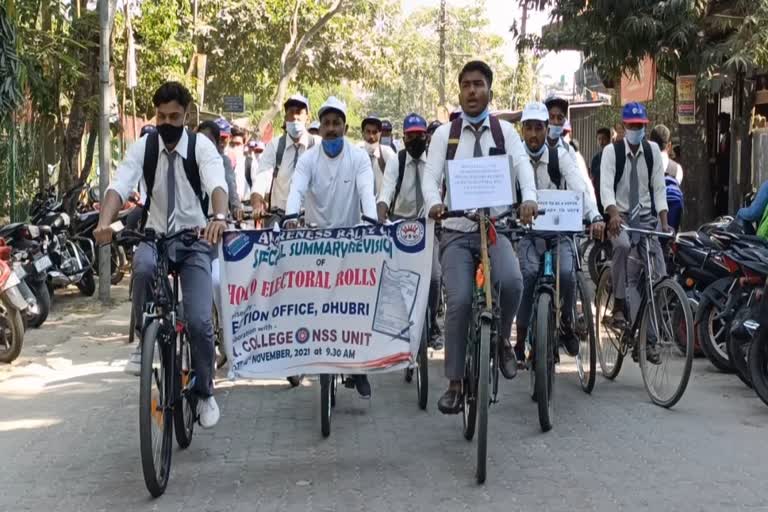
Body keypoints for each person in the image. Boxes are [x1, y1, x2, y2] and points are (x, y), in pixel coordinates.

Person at [94, 81, 228, 428]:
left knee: (198, 321)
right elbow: (119, 185)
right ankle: (144, 339)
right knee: (141, 267)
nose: (168, 122)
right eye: (162, 116)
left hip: (195, 240)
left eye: (175, 116)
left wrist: (219, 217)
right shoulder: (145, 146)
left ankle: (206, 391)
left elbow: (217, 184)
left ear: (187, 116)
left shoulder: (201, 147)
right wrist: (104, 222)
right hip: (156, 237)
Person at [422, 60, 538, 414]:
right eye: (466, 85)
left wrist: (529, 198)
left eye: (478, 84)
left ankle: (502, 340)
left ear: (490, 90)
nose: (472, 91)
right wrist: (434, 203)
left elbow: (522, 166)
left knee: (513, 281)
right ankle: (456, 383)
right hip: (456, 233)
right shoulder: (446, 134)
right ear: (460, 92)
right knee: (457, 302)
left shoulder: (505, 133)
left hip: (495, 229)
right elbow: (430, 177)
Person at [285, 96, 377, 399]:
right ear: (320, 128)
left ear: (345, 127)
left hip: (351, 239)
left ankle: (358, 367)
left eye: (337, 123)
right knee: (305, 300)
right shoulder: (308, 159)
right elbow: (297, 187)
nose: (331, 129)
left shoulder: (358, 158)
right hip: (314, 242)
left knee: (357, 304)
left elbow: (366, 190)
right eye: (326, 124)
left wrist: (371, 222)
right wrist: (289, 216)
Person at [514, 102, 604, 364]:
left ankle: (566, 321)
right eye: (528, 128)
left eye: (539, 128)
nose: (533, 134)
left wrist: (595, 216)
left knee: (566, 274)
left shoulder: (560, 157)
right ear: (522, 130)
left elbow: (580, 188)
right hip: (526, 235)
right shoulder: (514, 158)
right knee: (527, 277)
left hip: (558, 232)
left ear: (547, 129)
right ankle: (519, 340)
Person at [600, 102, 669, 364]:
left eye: (640, 126)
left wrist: (664, 223)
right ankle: (618, 304)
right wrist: (613, 214)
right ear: (622, 126)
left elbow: (659, 189)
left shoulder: (652, 151)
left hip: (648, 218)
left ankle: (647, 337)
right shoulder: (611, 152)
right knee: (622, 246)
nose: (635, 130)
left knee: (659, 278)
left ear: (645, 127)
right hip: (621, 216)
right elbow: (606, 188)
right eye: (631, 125)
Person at [375, 113, 444, 350]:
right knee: (392, 275)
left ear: (427, 137)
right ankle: (393, 324)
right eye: (411, 136)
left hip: (427, 225)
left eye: (420, 136)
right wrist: (381, 211)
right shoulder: (398, 160)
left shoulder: (435, 161)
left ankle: (433, 325)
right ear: (403, 138)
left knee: (435, 277)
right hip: (399, 224)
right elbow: (386, 190)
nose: (416, 140)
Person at [251, 94, 319, 218]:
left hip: (310, 216)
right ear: (285, 117)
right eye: (291, 112)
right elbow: (262, 177)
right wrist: (257, 204)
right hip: (279, 216)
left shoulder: (317, 145)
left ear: (307, 117)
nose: (294, 117)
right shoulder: (275, 146)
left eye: (299, 112)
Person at [544, 96, 599, 220]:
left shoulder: (568, 151)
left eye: (560, 118)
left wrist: (594, 214)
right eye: (551, 117)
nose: (556, 122)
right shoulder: (534, 147)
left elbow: (580, 184)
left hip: (562, 212)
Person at [197, 120, 240, 218]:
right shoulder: (189, 157)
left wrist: (236, 206)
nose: (204, 145)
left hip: (216, 219)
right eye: (201, 140)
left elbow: (230, 185)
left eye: (208, 141)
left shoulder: (223, 161)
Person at [360, 115, 397, 193]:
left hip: (381, 203)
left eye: (374, 132)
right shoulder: (356, 153)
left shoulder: (387, 153)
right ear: (363, 133)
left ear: (380, 133)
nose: (371, 136)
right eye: (368, 131)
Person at [590, 127, 612, 213]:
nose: (601, 142)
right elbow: (592, 177)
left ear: (609, 140)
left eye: (604, 139)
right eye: (599, 139)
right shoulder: (595, 159)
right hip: (598, 197)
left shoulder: (614, 156)